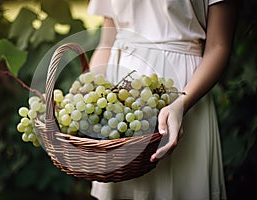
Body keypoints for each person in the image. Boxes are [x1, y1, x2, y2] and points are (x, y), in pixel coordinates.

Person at [87, 0, 238, 199]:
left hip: (183, 90)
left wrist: (181, 104)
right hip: (119, 91)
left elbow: (219, 45)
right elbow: (107, 42)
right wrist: (91, 93)